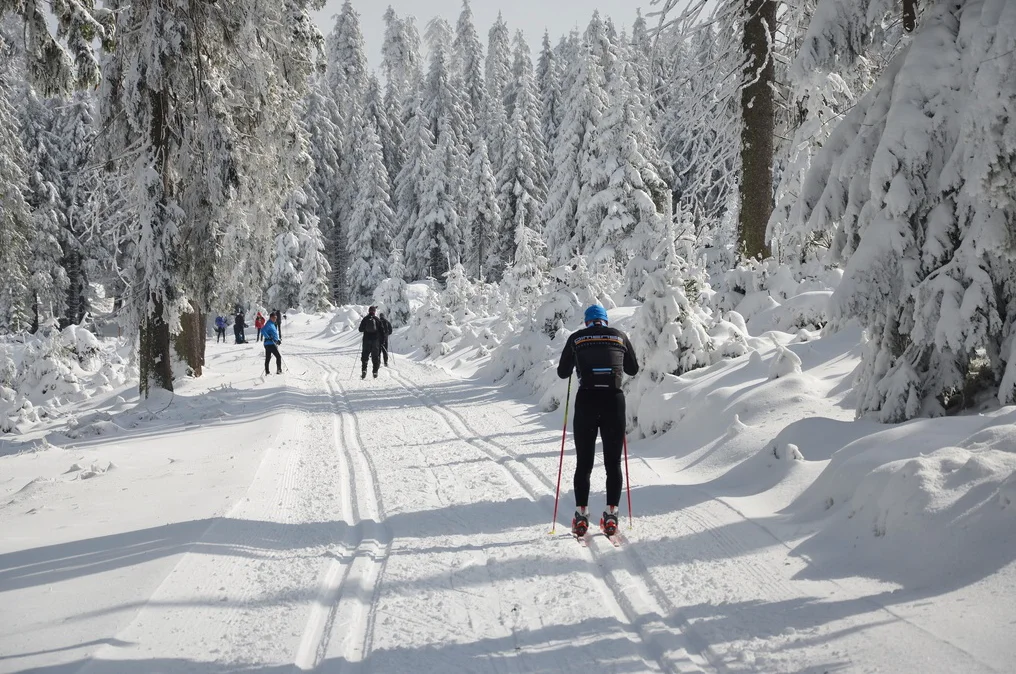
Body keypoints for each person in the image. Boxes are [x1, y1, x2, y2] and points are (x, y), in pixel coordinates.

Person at [557, 304, 639, 538]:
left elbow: (563, 373)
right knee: (613, 462)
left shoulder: (577, 338)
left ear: (587, 322)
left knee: (584, 462)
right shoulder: (619, 336)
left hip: (587, 401)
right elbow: (633, 369)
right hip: (614, 400)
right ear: (605, 320)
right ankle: (611, 515)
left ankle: (581, 516)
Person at [358, 306, 383, 379]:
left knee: (365, 357)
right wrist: (382, 342)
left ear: (369, 311)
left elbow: (360, 329)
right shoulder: (377, 320)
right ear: (375, 311)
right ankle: (375, 372)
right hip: (375, 341)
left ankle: (364, 370)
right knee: (375, 357)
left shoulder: (365, 319)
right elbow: (382, 332)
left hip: (366, 341)